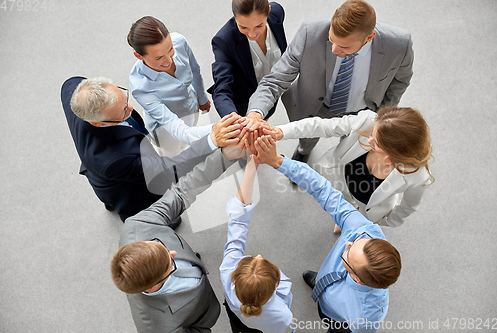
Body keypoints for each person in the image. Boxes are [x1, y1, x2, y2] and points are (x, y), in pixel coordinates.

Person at [253, 135, 402, 333]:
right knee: (326, 279)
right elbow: (323, 190)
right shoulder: (361, 231)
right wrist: (277, 161)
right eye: (355, 243)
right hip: (332, 283)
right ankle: (320, 283)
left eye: (347, 253)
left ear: (356, 278)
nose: (346, 243)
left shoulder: (366, 316)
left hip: (338, 320)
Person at [246, 0, 414, 164]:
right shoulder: (309, 33)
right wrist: (255, 112)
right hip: (315, 108)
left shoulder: (400, 45)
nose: (334, 50)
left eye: (344, 47)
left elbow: (401, 80)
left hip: (362, 112)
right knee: (307, 137)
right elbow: (275, 80)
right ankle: (304, 151)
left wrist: (380, 117)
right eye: (332, 40)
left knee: (350, 149)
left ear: (369, 37)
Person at [62, 76, 241, 222]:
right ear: (97, 122)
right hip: (128, 188)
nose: (131, 109)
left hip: (104, 173)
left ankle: (110, 202)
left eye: (125, 99)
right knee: (154, 211)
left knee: (110, 194)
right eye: (123, 112)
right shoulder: (115, 160)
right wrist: (212, 140)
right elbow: (168, 170)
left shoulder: (73, 87)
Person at [111, 143, 246, 333]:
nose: (174, 252)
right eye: (171, 263)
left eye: (161, 246)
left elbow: (182, 191)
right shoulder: (158, 327)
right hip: (206, 313)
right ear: (151, 288)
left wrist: (226, 156)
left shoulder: (137, 226)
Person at [261, 106, 433, 228]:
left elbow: (408, 207)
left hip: (368, 205)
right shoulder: (369, 122)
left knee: (350, 216)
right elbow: (322, 126)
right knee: (340, 201)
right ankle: (342, 216)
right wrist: (281, 132)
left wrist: (382, 221)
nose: (369, 140)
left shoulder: (417, 176)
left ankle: (346, 218)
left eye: (377, 143)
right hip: (340, 180)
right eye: (373, 134)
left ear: (396, 153)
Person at [220, 133, 294, 333]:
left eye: (255, 258)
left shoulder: (227, 271)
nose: (259, 255)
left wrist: (252, 164)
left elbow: (237, 221)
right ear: (275, 286)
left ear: (234, 279)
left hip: (238, 321)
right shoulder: (283, 314)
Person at [128, 16, 212, 157]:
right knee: (173, 156)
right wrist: (217, 131)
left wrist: (202, 97)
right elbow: (176, 128)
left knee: (187, 142)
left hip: (191, 108)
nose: (168, 60)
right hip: (166, 130)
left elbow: (195, 69)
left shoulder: (179, 41)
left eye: (170, 49)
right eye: (158, 57)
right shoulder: (140, 86)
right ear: (139, 55)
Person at [208, 0, 290, 120]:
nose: (251, 34)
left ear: (269, 10)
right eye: (243, 27)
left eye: (259, 26)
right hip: (245, 108)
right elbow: (221, 89)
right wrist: (232, 118)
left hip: (271, 98)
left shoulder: (277, 13)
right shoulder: (224, 40)